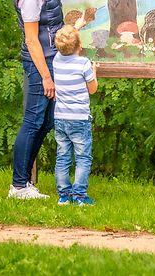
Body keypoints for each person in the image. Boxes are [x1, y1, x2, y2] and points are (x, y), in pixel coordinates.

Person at [9, 0, 93, 199]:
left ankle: (25, 184)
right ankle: (19, 186)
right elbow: (32, 40)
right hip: (39, 65)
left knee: (46, 123)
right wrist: (45, 76)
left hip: (51, 62)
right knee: (33, 121)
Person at [52, 25, 98, 206]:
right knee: (82, 158)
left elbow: (65, 44)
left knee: (62, 157)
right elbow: (92, 89)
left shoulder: (56, 60)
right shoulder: (84, 63)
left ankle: (64, 196)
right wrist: (94, 71)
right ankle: (79, 196)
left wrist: (73, 29)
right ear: (79, 46)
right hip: (79, 119)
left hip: (61, 118)